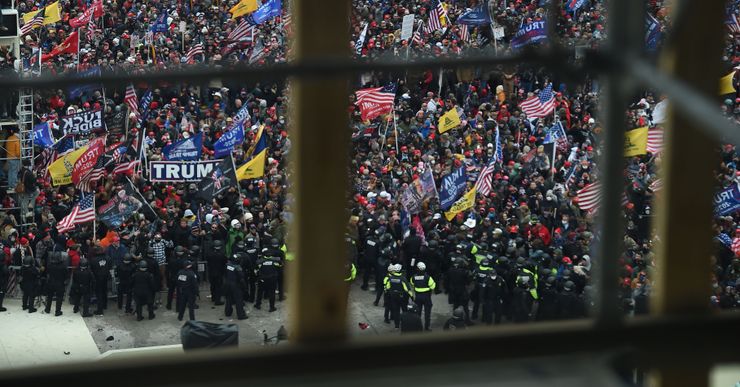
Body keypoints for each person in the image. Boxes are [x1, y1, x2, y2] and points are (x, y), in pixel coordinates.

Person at [383, 263, 413, 329]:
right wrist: (412, 297)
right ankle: (405, 324)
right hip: (402, 298)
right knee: (404, 310)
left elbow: (387, 288)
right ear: (400, 270)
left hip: (394, 297)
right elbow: (407, 290)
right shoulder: (403, 279)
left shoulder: (390, 278)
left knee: (396, 311)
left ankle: (396, 325)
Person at [255, 243, 282, 312]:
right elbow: (280, 267)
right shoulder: (276, 260)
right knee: (272, 293)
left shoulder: (259, 262)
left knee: (260, 292)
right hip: (272, 279)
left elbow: (256, 270)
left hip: (262, 279)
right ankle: (271, 307)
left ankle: (258, 304)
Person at [411, 261, 436, 331]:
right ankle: (427, 327)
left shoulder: (413, 277)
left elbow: (412, 283)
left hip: (418, 297)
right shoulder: (428, 277)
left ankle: (417, 327)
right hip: (426, 297)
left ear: (417, 269)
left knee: (417, 313)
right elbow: (433, 286)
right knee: (427, 313)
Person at [223, 253, 248, 320]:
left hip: (227, 283)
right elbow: (241, 279)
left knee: (228, 299)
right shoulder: (238, 268)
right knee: (239, 300)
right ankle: (241, 315)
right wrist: (244, 287)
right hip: (236, 285)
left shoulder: (227, 265)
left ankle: (228, 312)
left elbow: (225, 274)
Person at [44, 252, 68, 316]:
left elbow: (47, 273)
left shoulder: (50, 265)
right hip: (60, 283)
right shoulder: (63, 266)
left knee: (49, 296)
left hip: (51, 282)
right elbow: (66, 275)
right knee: (59, 297)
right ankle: (57, 311)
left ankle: (47, 309)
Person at [91, 247, 112, 315]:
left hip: (97, 278)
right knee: (104, 291)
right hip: (106, 277)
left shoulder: (93, 260)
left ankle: (100, 310)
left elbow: (92, 269)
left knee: (99, 293)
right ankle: (104, 305)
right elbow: (110, 266)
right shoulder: (108, 258)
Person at [206, 240, 226, 305]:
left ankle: (213, 297)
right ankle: (217, 301)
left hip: (211, 272)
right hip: (219, 272)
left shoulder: (210, 254)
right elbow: (224, 262)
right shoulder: (221, 254)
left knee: (213, 285)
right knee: (218, 286)